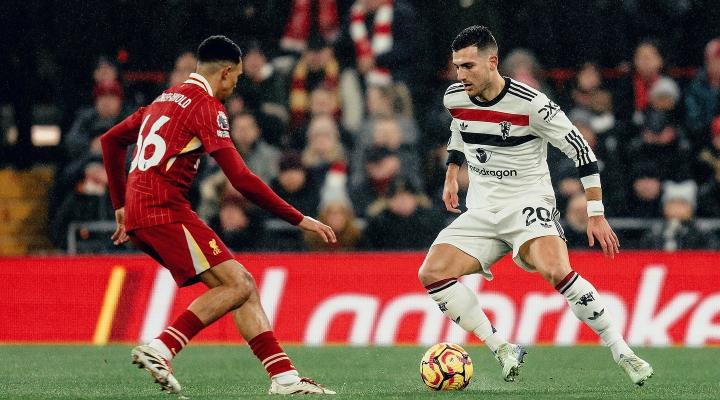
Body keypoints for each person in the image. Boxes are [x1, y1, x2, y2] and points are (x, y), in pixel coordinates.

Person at [100, 35, 336, 395]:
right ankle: (161, 348)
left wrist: (121, 205)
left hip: (142, 212)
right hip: (164, 209)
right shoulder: (207, 107)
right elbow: (240, 178)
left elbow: (111, 141)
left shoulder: (164, 99)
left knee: (242, 285)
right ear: (225, 73)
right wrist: (299, 218)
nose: (235, 85)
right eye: (237, 78)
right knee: (237, 284)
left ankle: (284, 377)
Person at [417, 26, 653, 386]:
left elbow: (582, 151)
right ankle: (502, 348)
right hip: (482, 210)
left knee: (557, 270)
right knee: (431, 273)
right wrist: (452, 171)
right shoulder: (455, 97)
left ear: (492, 62)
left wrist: (596, 213)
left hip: (527, 204)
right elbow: (459, 128)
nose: (461, 75)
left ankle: (623, 351)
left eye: (468, 66)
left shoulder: (532, 104)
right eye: (457, 66)